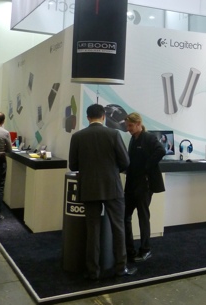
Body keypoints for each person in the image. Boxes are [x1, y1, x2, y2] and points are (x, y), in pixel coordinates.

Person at [68, 104, 136, 281]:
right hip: (112, 187)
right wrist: (112, 170)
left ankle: (93, 271)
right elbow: (125, 161)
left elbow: (73, 165)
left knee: (93, 230)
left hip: (89, 187)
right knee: (118, 228)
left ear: (88, 118)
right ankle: (120, 267)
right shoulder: (114, 134)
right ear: (104, 116)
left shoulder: (77, 136)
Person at [123, 112, 166, 263]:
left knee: (143, 216)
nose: (128, 128)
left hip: (145, 184)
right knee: (125, 215)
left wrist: (146, 167)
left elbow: (161, 151)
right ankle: (129, 249)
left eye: (130, 125)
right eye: (127, 126)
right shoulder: (133, 139)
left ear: (138, 124)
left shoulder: (148, 138)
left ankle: (145, 250)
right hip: (132, 183)